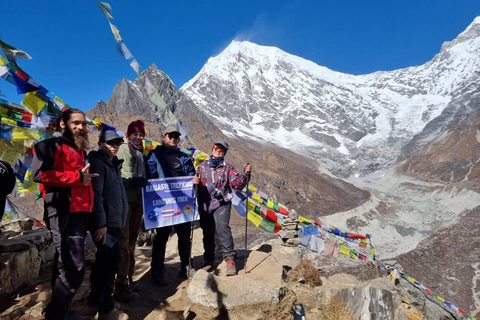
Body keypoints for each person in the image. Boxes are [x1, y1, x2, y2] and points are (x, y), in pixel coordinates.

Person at [32, 108, 98, 320]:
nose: (81, 127)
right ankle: (55, 313)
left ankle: (59, 309)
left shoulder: (78, 149)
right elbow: (39, 174)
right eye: (76, 123)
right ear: (63, 123)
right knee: (75, 267)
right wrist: (77, 178)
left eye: (83, 123)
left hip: (80, 212)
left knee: (64, 264)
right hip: (63, 212)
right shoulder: (50, 145)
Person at [193, 140, 252, 276]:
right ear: (212, 149)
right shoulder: (202, 166)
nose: (218, 151)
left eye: (222, 150)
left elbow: (237, 184)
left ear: (224, 152)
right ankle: (209, 259)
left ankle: (230, 259)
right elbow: (196, 184)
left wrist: (246, 174)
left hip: (222, 202)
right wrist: (195, 182)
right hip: (205, 204)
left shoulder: (228, 167)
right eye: (216, 148)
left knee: (222, 227)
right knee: (207, 232)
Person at [87, 129, 129, 320]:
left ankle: (95, 299)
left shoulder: (113, 164)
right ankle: (106, 309)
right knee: (111, 262)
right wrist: (100, 224)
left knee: (103, 261)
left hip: (113, 222)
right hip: (105, 225)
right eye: (110, 143)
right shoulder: (98, 163)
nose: (114, 146)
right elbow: (96, 196)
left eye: (117, 143)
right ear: (100, 143)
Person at [146, 126, 195, 285]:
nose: (174, 138)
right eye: (171, 135)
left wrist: (195, 180)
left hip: (182, 203)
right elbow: (150, 175)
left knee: (184, 235)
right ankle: (157, 269)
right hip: (163, 203)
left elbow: (191, 174)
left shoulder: (184, 157)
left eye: (176, 136)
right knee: (161, 236)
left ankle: (186, 265)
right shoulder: (154, 155)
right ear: (164, 136)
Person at [114, 120, 148, 301]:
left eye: (141, 134)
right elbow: (117, 175)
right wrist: (132, 181)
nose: (138, 137)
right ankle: (120, 284)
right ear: (128, 135)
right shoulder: (122, 150)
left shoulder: (141, 154)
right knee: (124, 241)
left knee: (133, 240)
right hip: (125, 201)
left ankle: (129, 277)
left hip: (139, 202)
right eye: (135, 134)